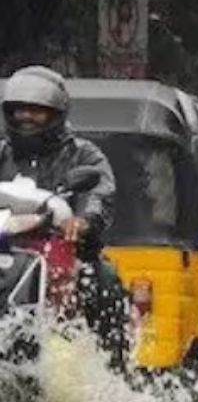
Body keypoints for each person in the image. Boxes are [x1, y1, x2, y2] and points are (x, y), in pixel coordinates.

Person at [0, 66, 127, 368]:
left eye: (37, 111)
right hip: (5, 243)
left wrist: (84, 220)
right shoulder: (2, 152)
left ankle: (110, 368)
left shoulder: (83, 154)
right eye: (19, 110)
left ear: (56, 114)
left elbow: (100, 192)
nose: (26, 117)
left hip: (65, 248)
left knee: (104, 281)